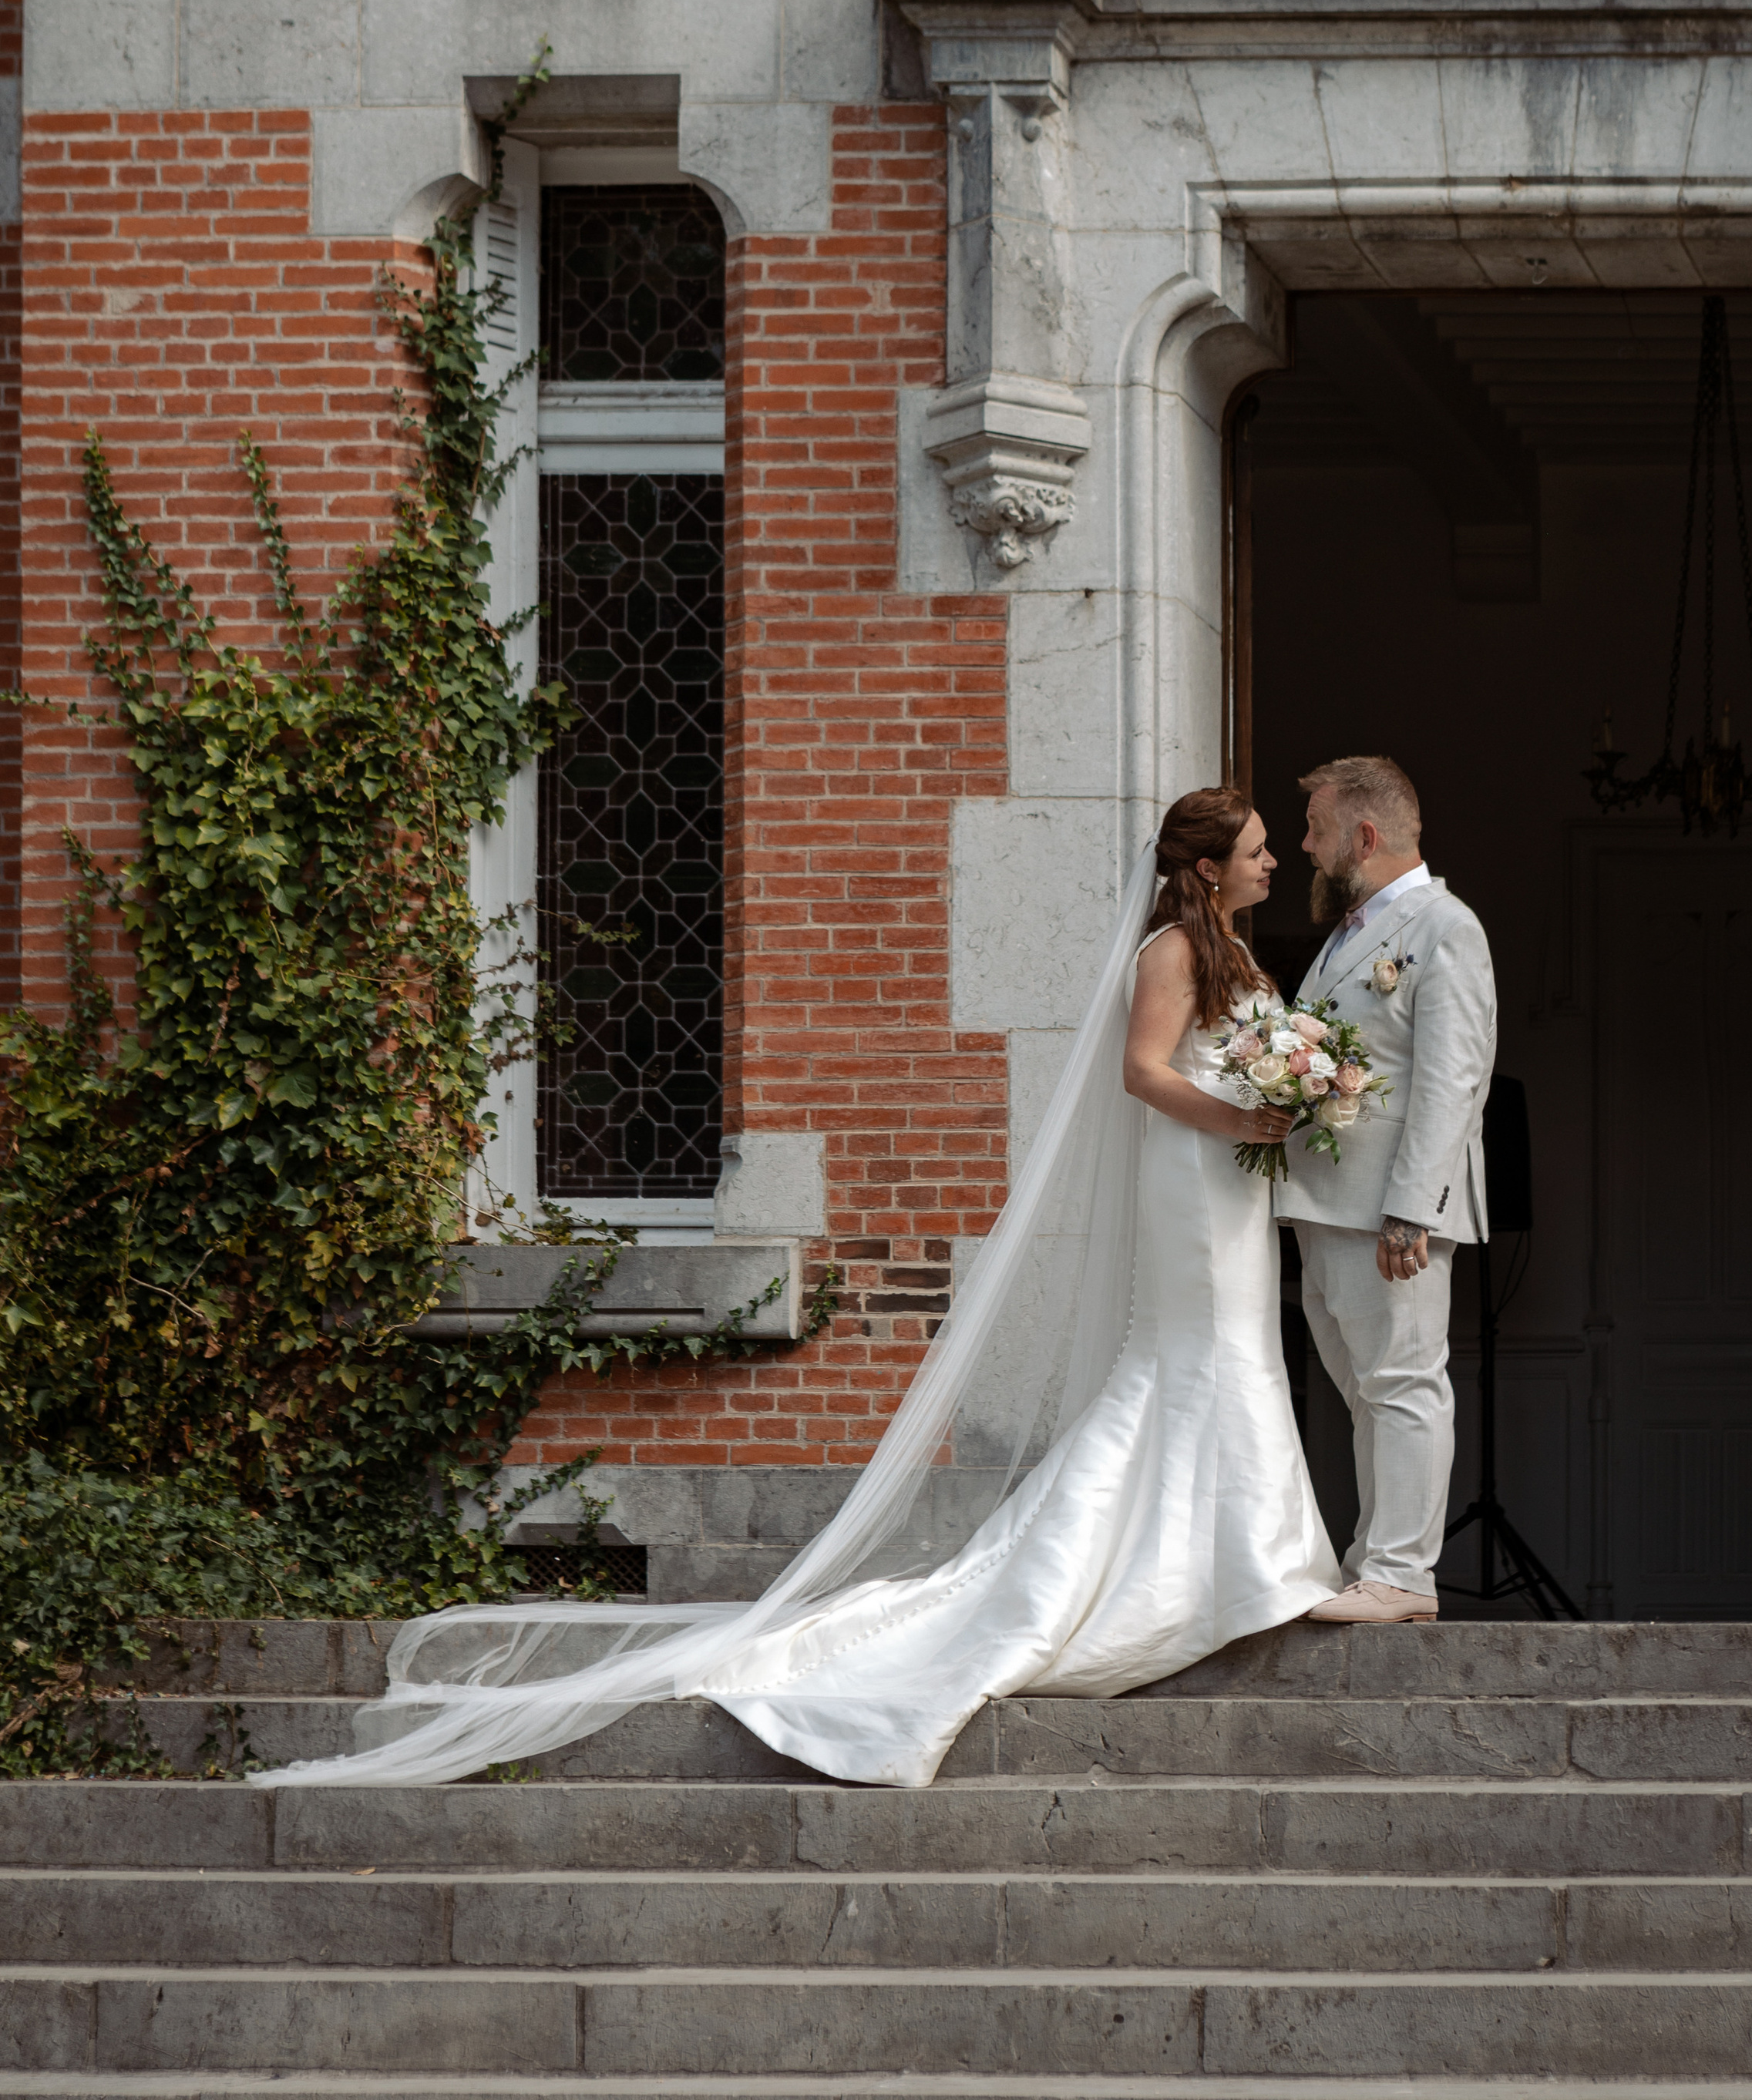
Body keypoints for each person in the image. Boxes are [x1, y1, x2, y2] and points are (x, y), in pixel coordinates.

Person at [251, 787, 1340, 1794]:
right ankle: (1239, 1562)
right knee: (1197, 1355)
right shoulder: (1167, 951)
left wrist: (1282, 1095)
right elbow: (1142, 1073)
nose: (1272, 861)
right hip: (1194, 1179)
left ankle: (1233, 1557)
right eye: (1253, 851)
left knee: (1226, 1350)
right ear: (1204, 869)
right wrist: (1240, 1116)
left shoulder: (1231, 949)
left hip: (1228, 1183)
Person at [1274, 754, 1497, 1626]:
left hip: (1386, 1209)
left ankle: (1404, 1574)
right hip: (1326, 1202)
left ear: (1362, 836)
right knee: (1364, 1391)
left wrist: (1412, 1207)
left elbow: (1454, 1076)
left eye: (1315, 830)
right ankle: (1376, 1563)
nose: (1302, 847)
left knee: (1403, 1382)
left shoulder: (1445, 927)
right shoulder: (1348, 931)